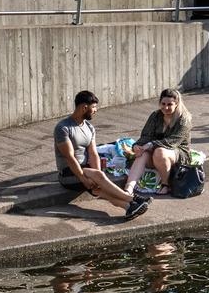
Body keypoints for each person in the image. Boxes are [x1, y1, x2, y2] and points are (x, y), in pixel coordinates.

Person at [56, 90, 149, 219]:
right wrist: (85, 178)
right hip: (68, 174)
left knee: (99, 189)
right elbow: (69, 157)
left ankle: (129, 208)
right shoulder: (63, 128)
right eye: (93, 107)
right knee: (98, 177)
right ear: (84, 107)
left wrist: (97, 177)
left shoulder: (89, 128)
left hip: (87, 170)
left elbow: (93, 153)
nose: (95, 110)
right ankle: (132, 198)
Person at [123, 88, 190, 197]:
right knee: (142, 154)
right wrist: (137, 146)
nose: (166, 107)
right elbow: (146, 135)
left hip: (178, 151)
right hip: (155, 151)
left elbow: (174, 141)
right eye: (163, 104)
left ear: (176, 104)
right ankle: (129, 188)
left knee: (160, 152)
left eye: (170, 104)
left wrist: (151, 145)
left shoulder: (184, 119)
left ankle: (165, 184)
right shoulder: (155, 115)